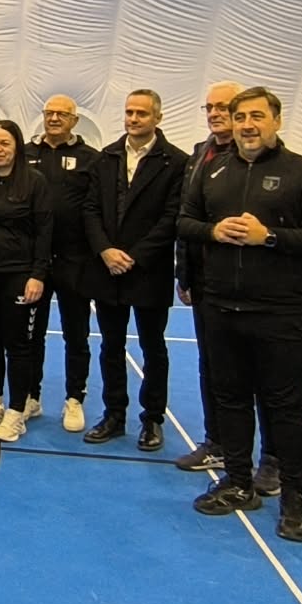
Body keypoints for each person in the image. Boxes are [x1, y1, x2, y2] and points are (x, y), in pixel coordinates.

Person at [177, 87, 302, 541]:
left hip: (282, 312)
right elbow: (184, 221)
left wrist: (269, 237)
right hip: (221, 308)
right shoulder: (213, 169)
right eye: (240, 117)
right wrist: (213, 230)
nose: (247, 125)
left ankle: (295, 499)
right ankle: (238, 482)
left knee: (286, 407)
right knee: (229, 399)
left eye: (257, 117)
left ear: (276, 121)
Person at [172, 83, 276, 489]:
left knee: (265, 378)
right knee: (214, 368)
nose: (216, 114)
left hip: (259, 289)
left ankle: (272, 459)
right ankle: (218, 441)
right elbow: (188, 219)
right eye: (210, 107)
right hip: (209, 284)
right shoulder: (201, 155)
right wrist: (184, 274)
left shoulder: (269, 163)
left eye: (225, 108)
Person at [82, 90, 189, 450]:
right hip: (107, 269)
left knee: (152, 347)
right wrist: (105, 250)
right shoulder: (106, 157)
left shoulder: (176, 162)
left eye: (142, 113)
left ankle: (152, 419)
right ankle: (114, 415)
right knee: (110, 346)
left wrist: (135, 256)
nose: (134, 118)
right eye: (129, 112)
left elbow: (172, 217)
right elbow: (90, 209)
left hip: (149, 271)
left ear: (157, 117)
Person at [0, 121, 51, 444]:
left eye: (5, 143)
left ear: (17, 146)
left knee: (18, 345)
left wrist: (37, 275)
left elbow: (44, 231)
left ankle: (17, 411)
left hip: (19, 274)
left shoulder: (35, 182)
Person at [23, 97, 99, 430]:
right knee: (31, 335)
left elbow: (96, 208)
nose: (54, 118)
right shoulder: (25, 153)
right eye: (49, 113)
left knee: (76, 335)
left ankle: (74, 399)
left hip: (75, 262)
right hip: (33, 264)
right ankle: (30, 396)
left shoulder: (91, 159)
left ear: (74, 120)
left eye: (62, 114)